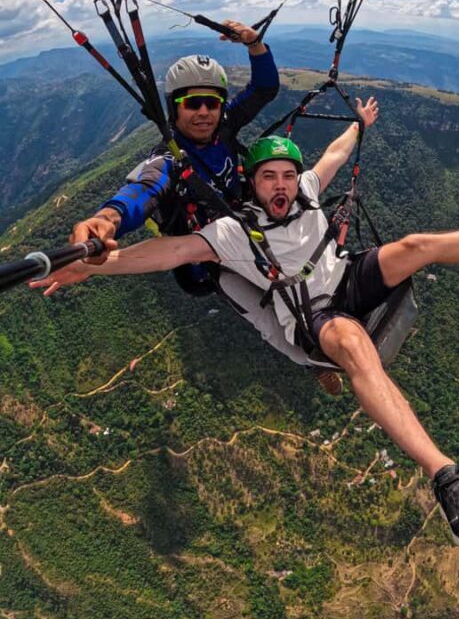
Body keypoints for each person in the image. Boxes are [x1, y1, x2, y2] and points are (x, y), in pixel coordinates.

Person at [31, 116, 459, 547]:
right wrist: (95, 262)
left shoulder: (305, 190)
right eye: (266, 179)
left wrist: (359, 124)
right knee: (351, 344)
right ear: (251, 185)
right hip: (311, 319)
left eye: (284, 176)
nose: (279, 187)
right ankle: (447, 479)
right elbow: (167, 252)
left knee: (416, 247)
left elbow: (333, 155)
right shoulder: (234, 232)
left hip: (345, 278)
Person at [67, 19, 317, 376]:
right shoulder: (168, 160)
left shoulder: (225, 124)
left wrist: (254, 43)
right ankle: (309, 357)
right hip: (208, 258)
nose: (203, 112)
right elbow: (141, 192)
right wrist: (107, 220)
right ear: (175, 108)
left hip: (247, 224)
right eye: (191, 103)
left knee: (305, 264)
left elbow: (265, 88)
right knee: (262, 310)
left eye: (211, 102)